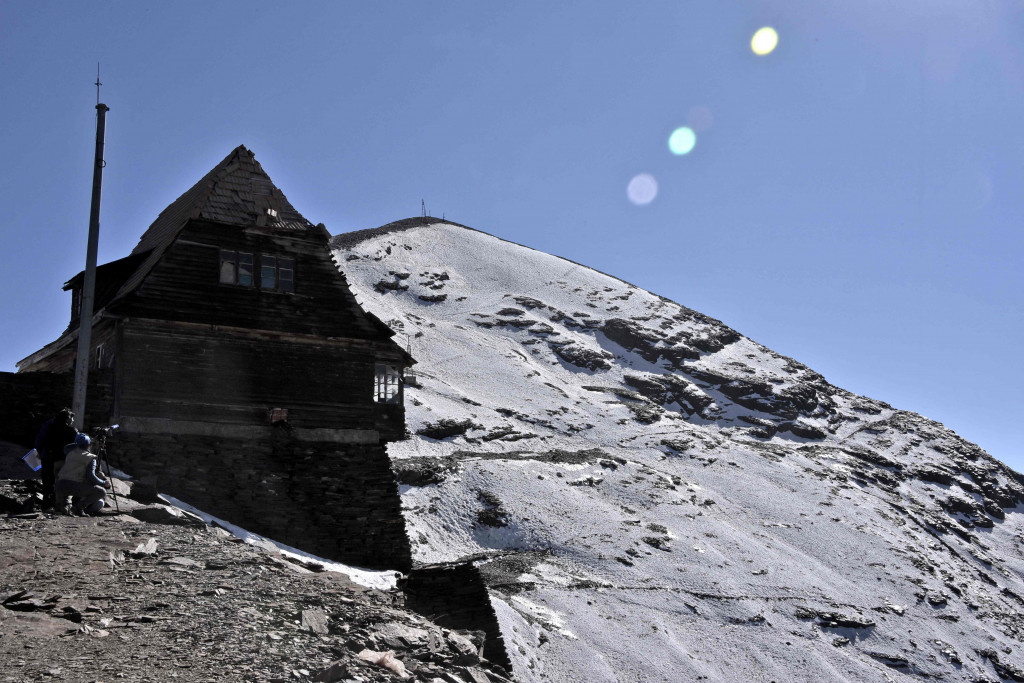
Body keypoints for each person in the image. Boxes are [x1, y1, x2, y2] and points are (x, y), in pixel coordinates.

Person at [33, 408, 77, 510]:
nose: (73, 421)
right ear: (68, 419)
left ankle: (46, 504)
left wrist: (41, 453)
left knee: (47, 482)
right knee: (60, 482)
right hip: (62, 460)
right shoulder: (71, 431)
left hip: (48, 457)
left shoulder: (49, 427)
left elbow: (40, 441)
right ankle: (60, 504)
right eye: (72, 418)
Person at [54, 433, 108, 516]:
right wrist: (104, 483)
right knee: (101, 492)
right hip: (73, 486)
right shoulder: (90, 457)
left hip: (60, 485)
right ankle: (78, 508)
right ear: (90, 445)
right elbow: (91, 477)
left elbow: (68, 446)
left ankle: (64, 506)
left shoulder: (70, 452)